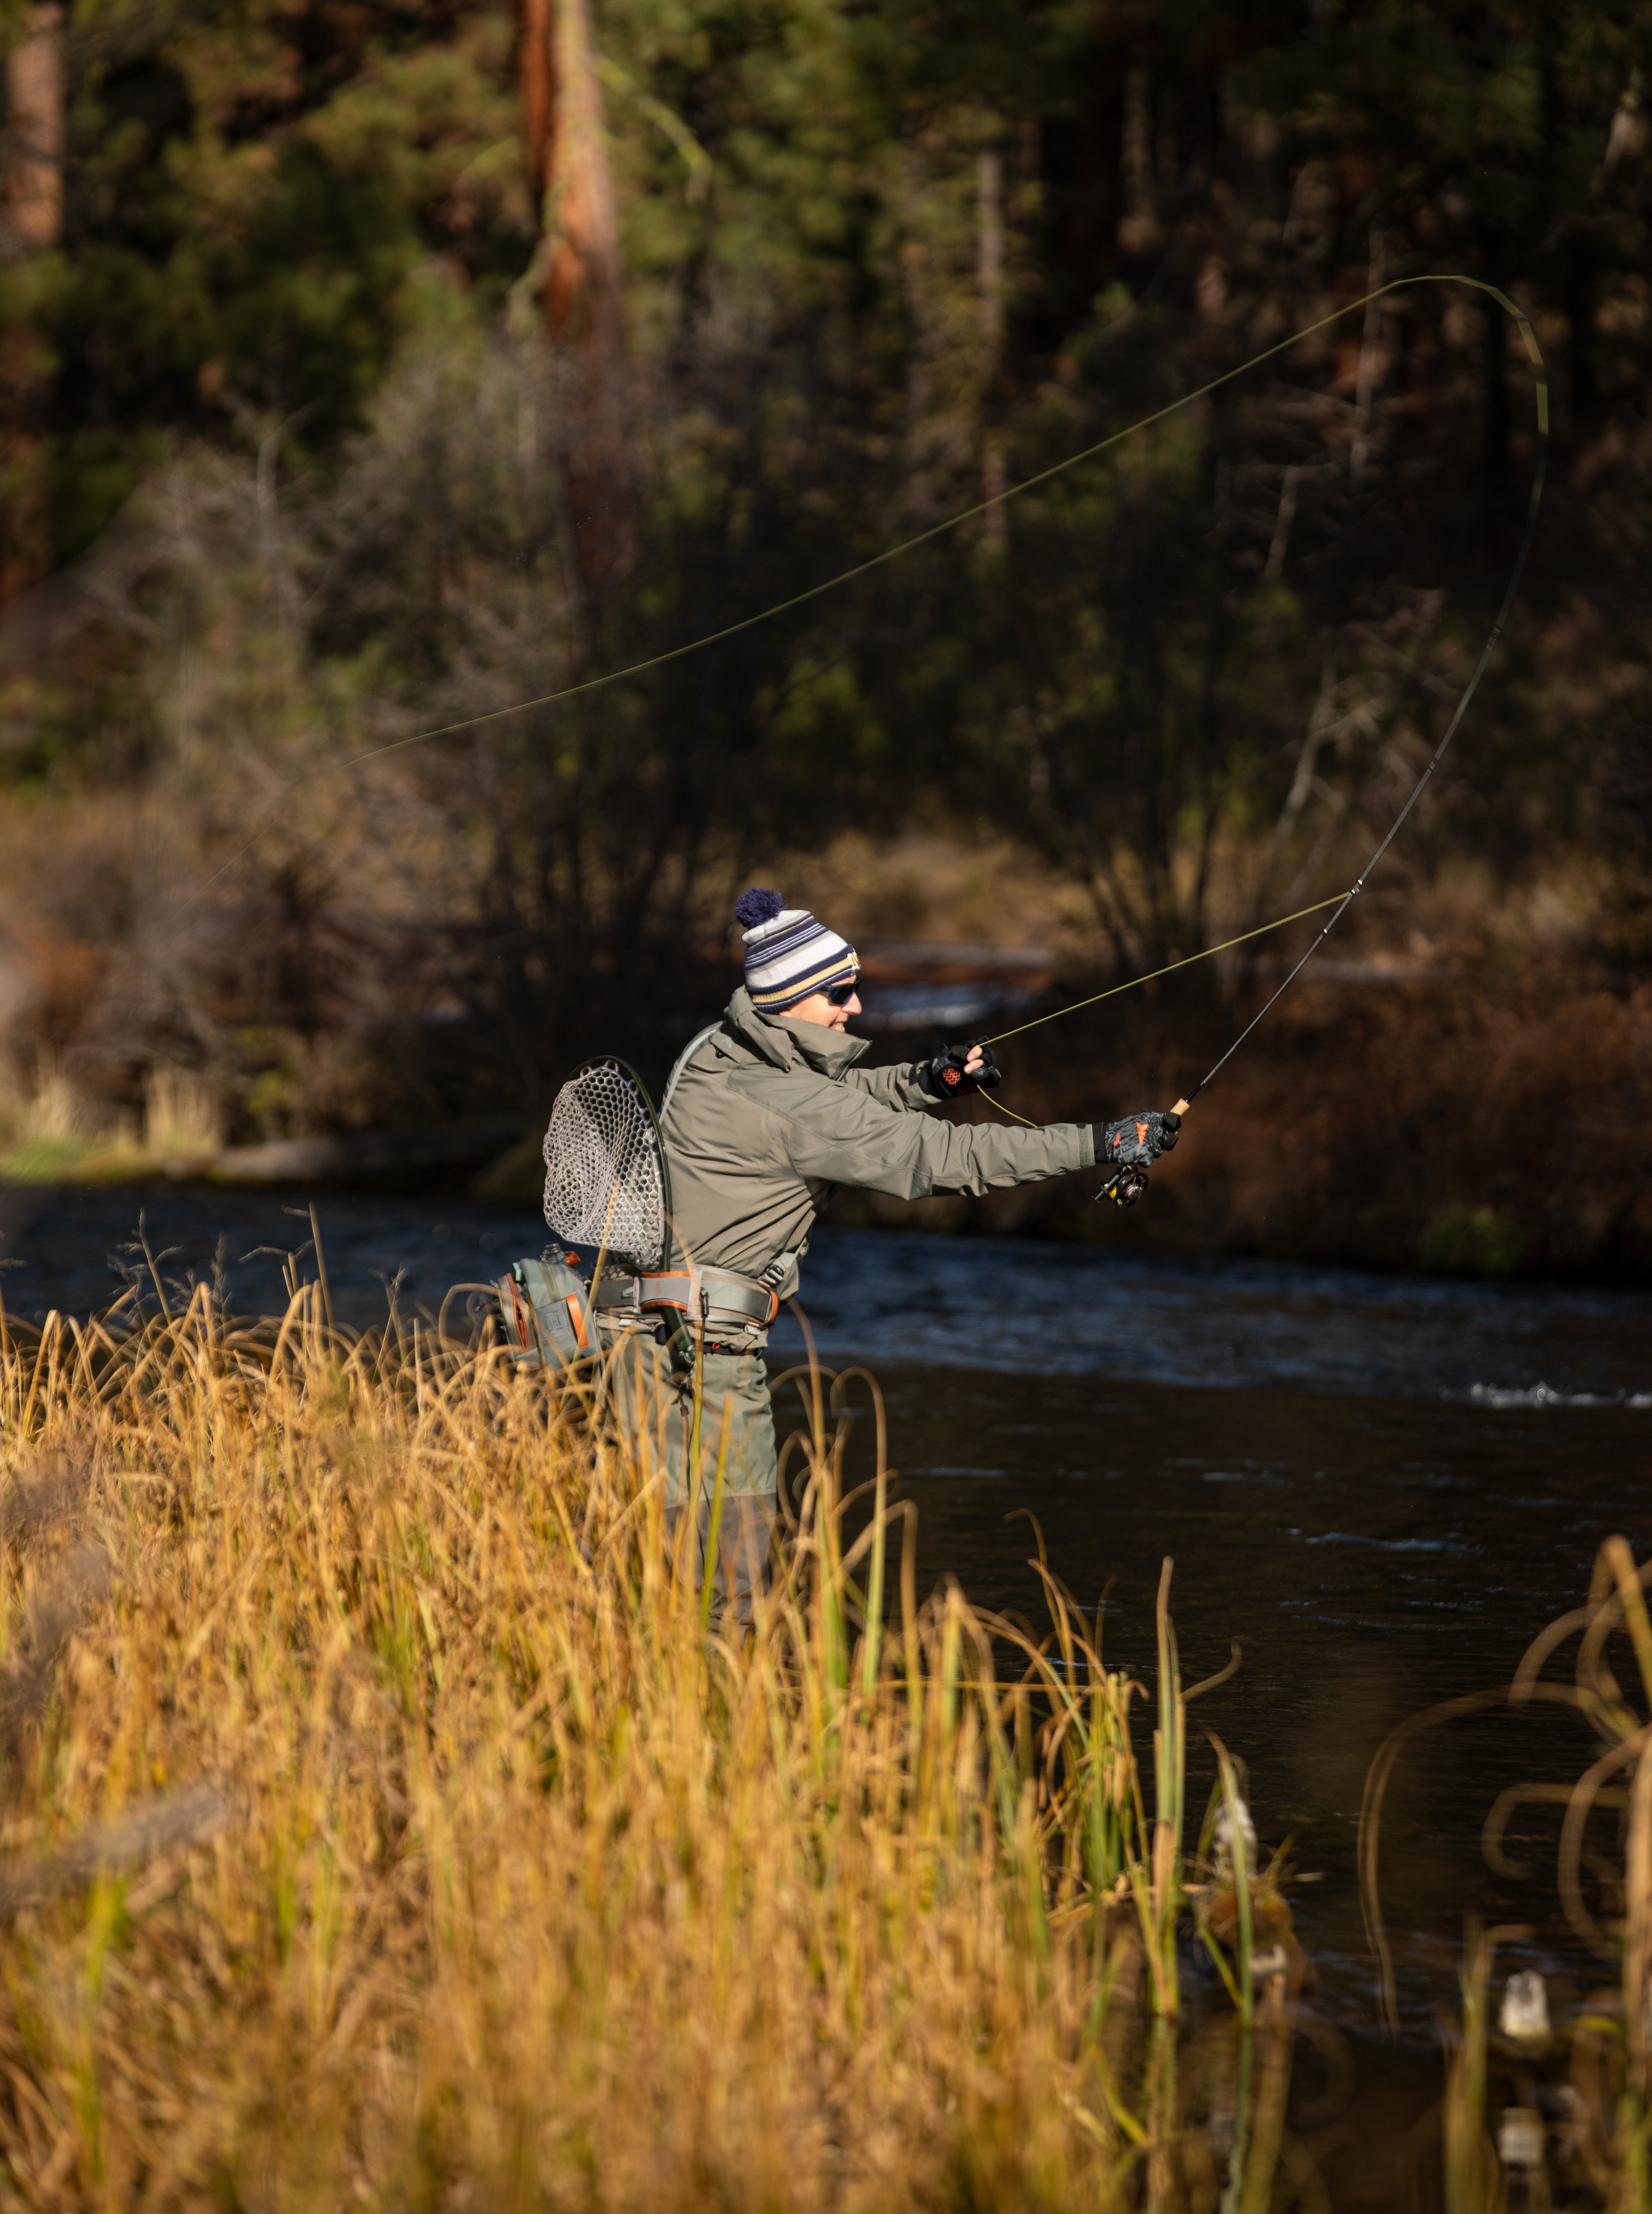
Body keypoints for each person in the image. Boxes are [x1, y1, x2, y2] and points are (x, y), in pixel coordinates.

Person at [594, 887, 1180, 1623]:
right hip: (709, 1369)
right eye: (840, 991)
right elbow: (950, 1157)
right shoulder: (797, 1107)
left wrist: (923, 1082)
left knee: (645, 1579)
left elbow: (823, 1100)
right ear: (789, 999)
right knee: (731, 1595)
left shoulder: (718, 1052)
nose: (858, 1007)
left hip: (638, 1349)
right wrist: (1101, 1142)